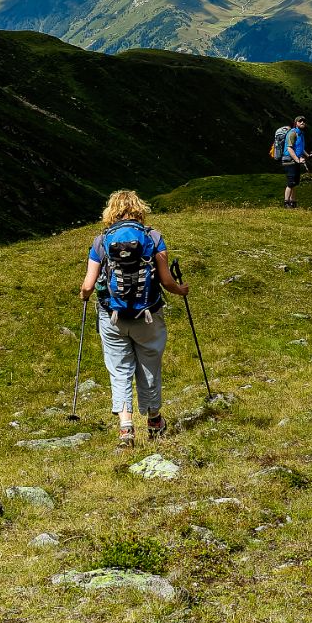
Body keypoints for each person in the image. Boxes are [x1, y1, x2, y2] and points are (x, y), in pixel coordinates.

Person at [78, 190, 188, 447]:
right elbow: (166, 281)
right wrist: (180, 290)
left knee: (119, 370)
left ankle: (126, 428)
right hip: (148, 314)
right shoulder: (153, 237)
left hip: (112, 316)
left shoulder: (101, 241)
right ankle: (154, 421)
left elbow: (88, 284)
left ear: (111, 211)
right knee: (149, 365)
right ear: (139, 209)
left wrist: (84, 296)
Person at [275, 115, 312, 208]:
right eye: (300, 121)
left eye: (303, 121)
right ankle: (286, 203)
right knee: (291, 182)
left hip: (295, 161)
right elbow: (289, 148)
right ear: (296, 123)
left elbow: (301, 148)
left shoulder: (301, 134)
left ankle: (293, 202)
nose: (302, 122)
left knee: (295, 182)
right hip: (289, 160)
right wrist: (297, 159)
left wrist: (308, 155)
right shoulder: (292, 133)